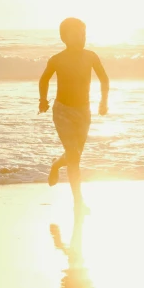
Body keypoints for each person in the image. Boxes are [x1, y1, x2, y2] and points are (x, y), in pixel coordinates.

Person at [39, 17, 109, 213]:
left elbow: (104, 78)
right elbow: (44, 79)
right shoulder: (57, 59)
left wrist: (104, 102)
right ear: (65, 37)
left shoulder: (91, 56)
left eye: (83, 34)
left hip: (83, 111)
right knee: (73, 156)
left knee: (75, 155)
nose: (81, 38)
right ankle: (78, 202)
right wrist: (43, 100)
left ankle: (55, 165)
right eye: (76, 34)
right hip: (63, 111)